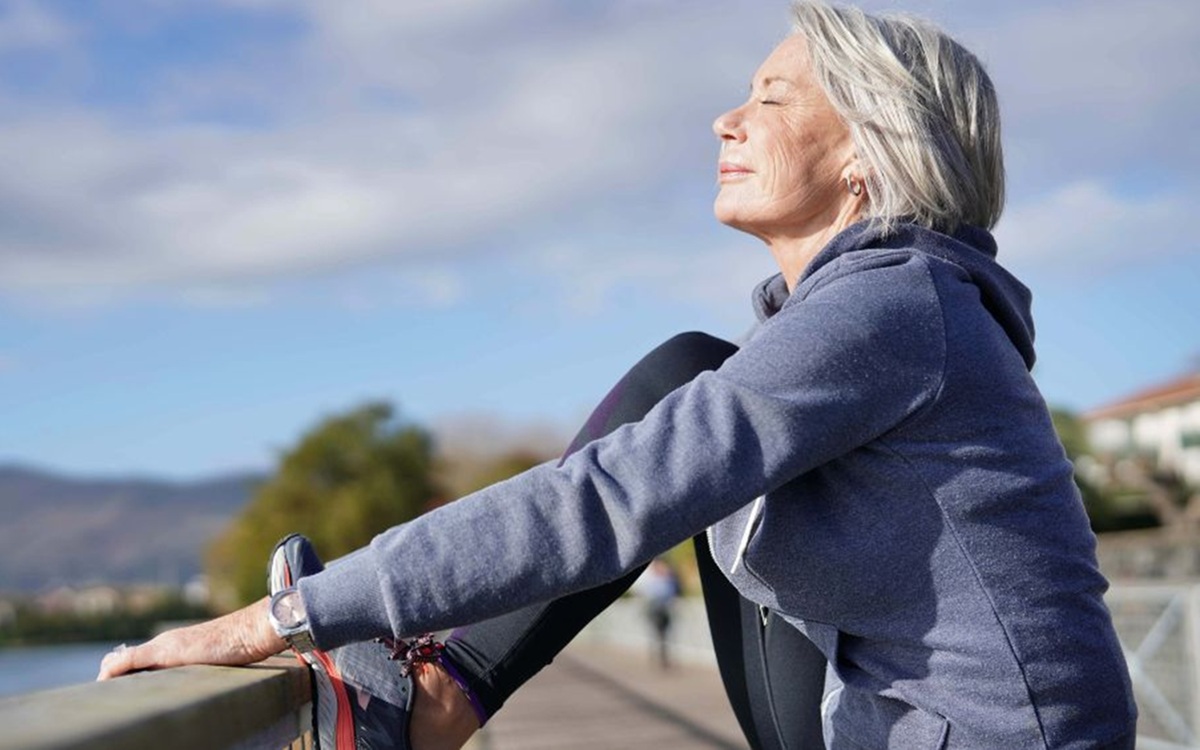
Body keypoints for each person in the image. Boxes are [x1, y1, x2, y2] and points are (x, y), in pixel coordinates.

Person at [98, 2, 1138, 748]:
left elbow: (602, 500)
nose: (726, 120)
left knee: (678, 404)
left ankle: (432, 701)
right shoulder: (868, 314)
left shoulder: (898, 303)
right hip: (880, 719)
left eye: (770, 98)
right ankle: (434, 695)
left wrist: (286, 618)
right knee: (692, 376)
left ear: (867, 151)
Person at [633, 557, 681, 669]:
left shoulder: (670, 579)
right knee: (657, 634)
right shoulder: (652, 580)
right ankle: (658, 657)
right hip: (655, 610)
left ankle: (662, 657)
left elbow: (675, 591)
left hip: (666, 609)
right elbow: (646, 593)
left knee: (664, 634)